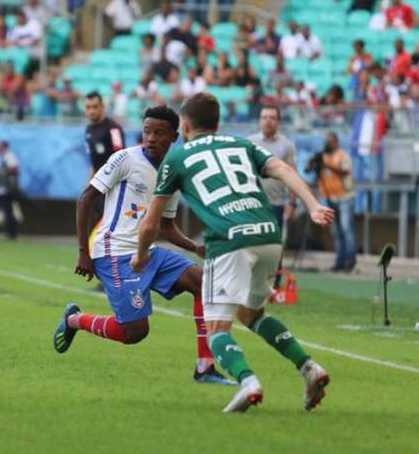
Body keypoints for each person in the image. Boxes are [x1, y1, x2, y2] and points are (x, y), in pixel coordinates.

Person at [134, 92, 334, 413]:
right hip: (269, 235)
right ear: (217, 123)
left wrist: (140, 256)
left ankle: (248, 382)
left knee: (216, 331)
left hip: (229, 241)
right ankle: (309, 368)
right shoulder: (242, 144)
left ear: (184, 126)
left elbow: (150, 224)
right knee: (251, 314)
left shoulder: (177, 157)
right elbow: (282, 168)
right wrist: (313, 205)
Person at [54, 105, 234, 386]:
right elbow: (85, 197)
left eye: (159, 133)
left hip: (146, 253)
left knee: (205, 283)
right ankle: (75, 320)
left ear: (174, 137)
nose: (150, 138)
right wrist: (83, 252)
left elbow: (164, 225)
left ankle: (205, 368)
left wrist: (192, 247)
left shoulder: (172, 170)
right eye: (147, 131)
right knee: (134, 333)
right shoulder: (125, 159)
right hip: (114, 252)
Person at [248, 105, 297, 287]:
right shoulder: (249, 143)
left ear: (278, 121)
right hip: (252, 203)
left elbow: (292, 175)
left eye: (272, 117)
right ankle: (253, 282)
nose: (268, 121)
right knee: (252, 244)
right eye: (264, 117)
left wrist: (292, 203)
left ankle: (274, 284)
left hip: (276, 203)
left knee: (275, 245)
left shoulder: (287, 146)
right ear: (260, 120)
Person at [315, 132, 356, 272]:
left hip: (345, 197)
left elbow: (345, 171)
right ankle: (339, 261)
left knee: (346, 229)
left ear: (336, 142)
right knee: (336, 232)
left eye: (331, 141)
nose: (328, 144)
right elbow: (310, 170)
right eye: (327, 141)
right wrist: (316, 163)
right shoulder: (323, 156)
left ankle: (350, 260)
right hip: (329, 197)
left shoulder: (343, 155)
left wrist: (328, 165)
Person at [83, 92, 124, 177]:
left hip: (112, 182)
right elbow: (94, 161)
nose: (91, 111)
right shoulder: (88, 130)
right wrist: (90, 183)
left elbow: (121, 160)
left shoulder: (114, 129)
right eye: (88, 107)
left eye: (95, 107)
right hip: (98, 182)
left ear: (102, 106)